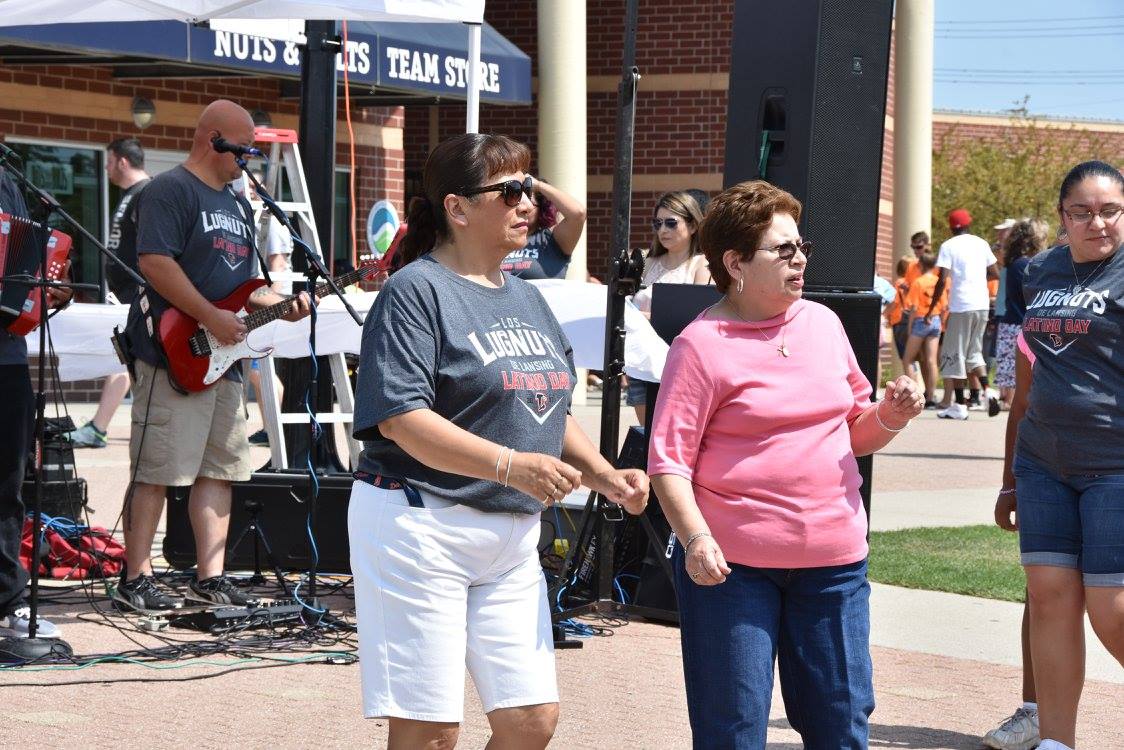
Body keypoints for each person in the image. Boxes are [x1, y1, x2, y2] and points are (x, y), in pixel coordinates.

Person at [348, 133, 648, 749]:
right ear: (457, 208)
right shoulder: (415, 291)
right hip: (418, 524)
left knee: (530, 720)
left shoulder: (527, 295)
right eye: (510, 190)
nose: (528, 203)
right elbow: (401, 418)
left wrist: (603, 474)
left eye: (530, 188)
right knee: (430, 732)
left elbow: (545, 404)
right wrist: (510, 465)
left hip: (510, 537)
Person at [647, 180, 923, 749]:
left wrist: (890, 415)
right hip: (730, 571)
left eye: (801, 247)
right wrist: (695, 539)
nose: (800, 259)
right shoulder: (700, 346)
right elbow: (668, 462)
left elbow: (854, 432)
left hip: (834, 566)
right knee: (734, 731)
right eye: (783, 249)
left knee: (840, 724)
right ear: (736, 262)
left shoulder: (822, 323)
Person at [113, 100, 311, 612]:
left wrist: (284, 307)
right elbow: (155, 262)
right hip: (171, 350)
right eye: (243, 148)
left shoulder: (240, 202)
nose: (249, 158)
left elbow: (246, 288)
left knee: (219, 470)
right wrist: (210, 315)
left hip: (224, 356)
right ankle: (135, 578)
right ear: (214, 138)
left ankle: (211, 577)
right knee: (157, 469)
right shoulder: (169, 190)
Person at [994, 160, 1124, 750]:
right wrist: (1008, 479)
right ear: (1062, 217)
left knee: (1111, 608)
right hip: (1043, 462)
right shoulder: (1037, 271)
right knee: (1049, 598)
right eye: (1083, 212)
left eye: (1111, 210)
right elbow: (1026, 376)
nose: (1097, 222)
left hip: (1114, 464)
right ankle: (1056, 741)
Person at [0, 168, 70, 640]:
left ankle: (7, 602)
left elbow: (26, 258)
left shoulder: (7, 178)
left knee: (7, 487)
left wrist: (48, 289)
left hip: (6, 355)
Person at [67, 137, 151, 449]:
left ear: (122, 161)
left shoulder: (146, 193)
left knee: (124, 356)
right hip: (124, 294)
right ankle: (99, 427)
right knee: (124, 358)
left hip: (139, 293)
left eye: (109, 161)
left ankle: (99, 428)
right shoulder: (131, 194)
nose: (106, 168)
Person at [627, 190, 712, 424]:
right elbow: (621, 306)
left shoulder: (702, 264)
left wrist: (642, 317)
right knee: (648, 434)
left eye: (671, 223)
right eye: (658, 223)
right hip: (641, 360)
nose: (663, 230)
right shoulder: (644, 261)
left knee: (672, 431)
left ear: (693, 226)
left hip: (679, 361)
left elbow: (700, 315)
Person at [931, 208, 1000, 420]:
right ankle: (988, 391)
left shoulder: (948, 246)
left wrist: (932, 305)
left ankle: (960, 405)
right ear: (968, 224)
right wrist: (977, 279)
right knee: (974, 353)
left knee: (954, 354)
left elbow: (942, 279)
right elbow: (995, 273)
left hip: (961, 305)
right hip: (981, 305)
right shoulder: (981, 243)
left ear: (952, 227)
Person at [242, 170, 293, 446]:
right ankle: (270, 425)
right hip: (259, 300)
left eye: (254, 184)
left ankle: (274, 426)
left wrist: (267, 306)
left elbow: (278, 266)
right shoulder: (248, 217)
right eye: (246, 184)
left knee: (260, 367)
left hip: (271, 302)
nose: (249, 189)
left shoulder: (269, 220)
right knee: (257, 368)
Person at [992, 218, 1047, 413]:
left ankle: (1007, 399)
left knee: (1009, 363)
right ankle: (1011, 401)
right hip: (1019, 322)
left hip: (1010, 321)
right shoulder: (1025, 264)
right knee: (1017, 366)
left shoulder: (1014, 263)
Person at [499, 176, 586, 279]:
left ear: (542, 208)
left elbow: (578, 214)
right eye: (516, 203)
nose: (522, 208)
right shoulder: (500, 239)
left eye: (529, 203)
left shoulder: (550, 241)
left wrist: (538, 185)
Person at [901, 251, 948, 407]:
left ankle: (914, 394)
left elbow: (913, 308)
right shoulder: (938, 281)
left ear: (920, 265)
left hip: (920, 320)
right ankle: (931, 396)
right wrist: (941, 323)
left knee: (908, 359)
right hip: (935, 320)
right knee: (931, 361)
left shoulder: (918, 282)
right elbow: (944, 307)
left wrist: (909, 328)